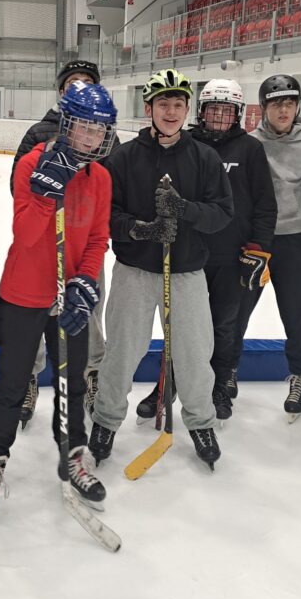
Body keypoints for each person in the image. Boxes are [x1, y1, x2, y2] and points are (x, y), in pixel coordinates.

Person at [0, 81, 117, 522]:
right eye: (85, 127)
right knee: (13, 383)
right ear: (67, 124)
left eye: (99, 129)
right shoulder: (32, 164)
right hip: (23, 295)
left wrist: (84, 283)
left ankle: (72, 456)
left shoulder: (100, 178)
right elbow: (28, 236)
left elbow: (98, 238)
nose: (92, 137)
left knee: (72, 383)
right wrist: (46, 193)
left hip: (69, 297)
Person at [89, 69, 233, 470]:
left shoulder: (204, 158)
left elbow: (223, 214)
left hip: (186, 273)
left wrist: (184, 210)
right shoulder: (123, 158)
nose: (171, 112)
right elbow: (105, 214)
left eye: (178, 104)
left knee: (194, 354)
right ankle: (105, 420)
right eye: (163, 104)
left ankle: (200, 422)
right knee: (122, 351)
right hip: (134, 272)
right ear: (148, 108)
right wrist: (139, 228)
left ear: (188, 110)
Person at [10, 60, 119, 426]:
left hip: (85, 244)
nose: (79, 87)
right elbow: (18, 188)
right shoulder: (39, 132)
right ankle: (28, 376)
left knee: (88, 309)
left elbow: (108, 184)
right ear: (60, 92)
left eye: (87, 82)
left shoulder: (105, 133)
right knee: (36, 316)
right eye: (73, 82)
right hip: (44, 246)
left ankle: (90, 373)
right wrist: (46, 193)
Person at [243, 74, 301, 422]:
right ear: (263, 107)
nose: (284, 110)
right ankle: (225, 372)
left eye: (290, 103)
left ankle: (300, 376)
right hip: (254, 240)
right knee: (236, 313)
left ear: (298, 107)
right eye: (277, 103)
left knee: (297, 316)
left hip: (294, 241)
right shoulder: (249, 144)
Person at [188, 79, 276, 421]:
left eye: (227, 111)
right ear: (202, 112)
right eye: (214, 110)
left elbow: (265, 204)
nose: (220, 117)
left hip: (232, 255)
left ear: (238, 114)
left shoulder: (250, 149)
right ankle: (179, 381)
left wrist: (258, 248)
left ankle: (220, 384)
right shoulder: (187, 144)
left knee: (225, 324)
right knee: (186, 325)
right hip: (191, 255)